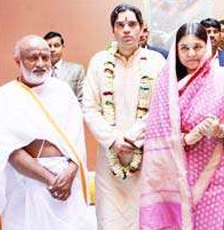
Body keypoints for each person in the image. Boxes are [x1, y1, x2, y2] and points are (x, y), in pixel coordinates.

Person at [139, 22, 224, 230]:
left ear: (207, 46)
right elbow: (155, 133)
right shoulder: (167, 84)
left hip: (213, 174)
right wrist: (185, 139)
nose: (191, 53)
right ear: (176, 50)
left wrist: (221, 130)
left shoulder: (223, 79)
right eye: (185, 48)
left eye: (197, 47)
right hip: (173, 176)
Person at [82, 3, 165, 230]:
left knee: (145, 219)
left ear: (141, 29)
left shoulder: (157, 62)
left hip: (146, 155)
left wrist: (132, 138)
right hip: (109, 158)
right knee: (110, 219)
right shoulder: (99, 62)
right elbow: (89, 108)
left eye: (132, 24)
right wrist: (113, 139)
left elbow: (162, 108)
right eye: (120, 25)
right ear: (113, 30)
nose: (126, 30)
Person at [0, 35, 91, 230]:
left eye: (45, 57)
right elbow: (9, 151)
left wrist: (70, 173)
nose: (40, 64)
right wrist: (50, 180)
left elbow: (77, 143)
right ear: (18, 61)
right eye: (33, 58)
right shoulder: (5, 97)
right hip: (26, 182)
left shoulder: (63, 91)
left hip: (66, 183)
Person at [44, 31, 86, 103]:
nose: (52, 50)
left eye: (56, 45)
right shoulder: (39, 72)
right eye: (49, 46)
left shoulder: (76, 70)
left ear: (62, 47)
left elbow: (82, 99)